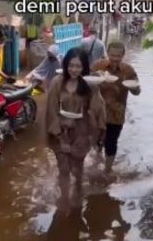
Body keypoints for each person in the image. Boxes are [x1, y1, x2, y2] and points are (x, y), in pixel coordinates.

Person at [45, 48, 106, 211]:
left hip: (81, 131)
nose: (74, 70)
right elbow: (51, 110)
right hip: (60, 130)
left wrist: (96, 89)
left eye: (78, 66)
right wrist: (59, 137)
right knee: (63, 168)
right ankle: (64, 200)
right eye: (71, 65)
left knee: (77, 169)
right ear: (65, 65)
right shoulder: (58, 82)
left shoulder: (88, 84)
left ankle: (78, 191)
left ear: (84, 67)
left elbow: (97, 110)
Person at [91, 41, 141, 175]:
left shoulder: (128, 70)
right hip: (98, 112)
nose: (115, 59)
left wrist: (134, 88)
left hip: (116, 114)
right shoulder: (98, 66)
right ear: (107, 53)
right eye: (112, 55)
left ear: (123, 55)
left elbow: (137, 92)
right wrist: (94, 79)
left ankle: (107, 170)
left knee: (111, 142)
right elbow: (86, 84)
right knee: (97, 140)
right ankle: (98, 157)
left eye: (118, 56)